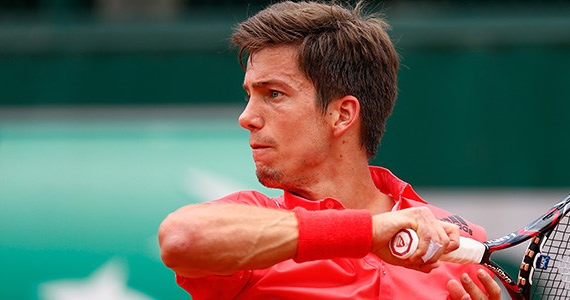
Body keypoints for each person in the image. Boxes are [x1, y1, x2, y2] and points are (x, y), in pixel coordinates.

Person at [158, 1, 501, 299]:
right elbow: (183, 238)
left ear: (342, 115)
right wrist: (368, 232)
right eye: (249, 95)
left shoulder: (455, 241)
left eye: (273, 94)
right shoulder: (251, 219)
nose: (246, 117)